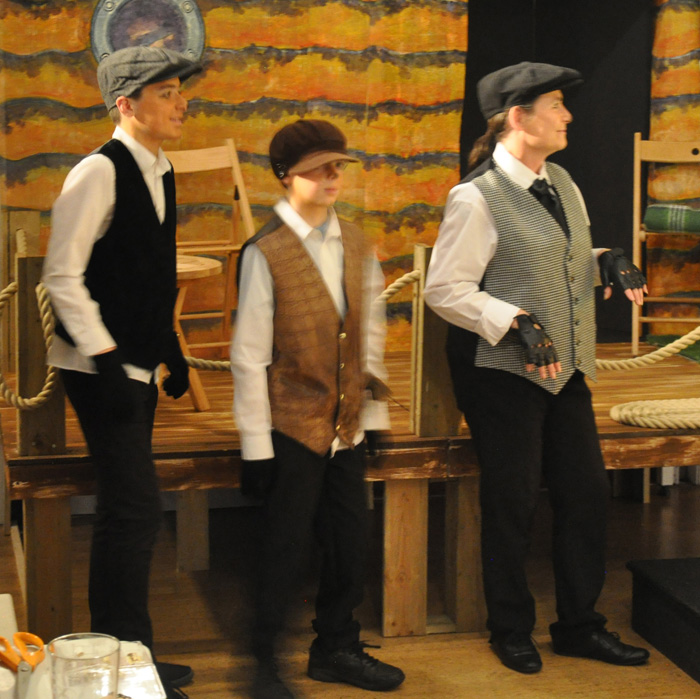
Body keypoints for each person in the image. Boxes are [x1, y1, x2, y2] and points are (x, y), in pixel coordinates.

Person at [424, 61, 650, 675]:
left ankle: (579, 626)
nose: (567, 115)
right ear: (518, 118)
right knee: (513, 502)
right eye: (555, 106)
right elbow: (445, 289)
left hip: (564, 368)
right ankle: (509, 628)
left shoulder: (563, 182)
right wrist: (514, 319)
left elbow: (556, 257)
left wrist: (606, 258)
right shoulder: (475, 196)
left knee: (586, 495)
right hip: (500, 373)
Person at [42, 45, 202, 699]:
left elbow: (146, 272)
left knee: (127, 510)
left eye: (181, 90)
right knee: (133, 511)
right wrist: (106, 360)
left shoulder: (161, 168)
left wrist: (170, 348)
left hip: (133, 363)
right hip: (96, 365)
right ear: (125, 103)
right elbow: (62, 275)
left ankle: (128, 658)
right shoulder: (97, 172)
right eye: (166, 92)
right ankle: (128, 667)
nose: (182, 102)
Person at [230, 119, 405, 699]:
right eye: (319, 168)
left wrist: (371, 418)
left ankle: (335, 647)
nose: (332, 176)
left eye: (337, 166)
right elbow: (249, 356)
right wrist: (256, 447)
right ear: (287, 176)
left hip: (345, 427)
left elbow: (368, 335)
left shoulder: (355, 242)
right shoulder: (265, 252)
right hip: (290, 427)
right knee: (283, 550)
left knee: (350, 545)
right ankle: (263, 662)